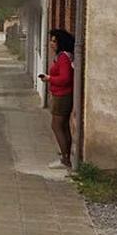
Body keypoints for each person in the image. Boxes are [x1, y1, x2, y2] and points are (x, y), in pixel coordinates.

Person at [40, 29, 75, 169]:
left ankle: (65, 160)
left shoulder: (63, 58)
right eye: (51, 40)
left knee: (56, 126)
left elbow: (65, 78)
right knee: (64, 126)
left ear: (61, 43)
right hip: (63, 94)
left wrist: (49, 78)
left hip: (62, 95)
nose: (51, 43)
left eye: (54, 41)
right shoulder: (66, 56)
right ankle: (66, 156)